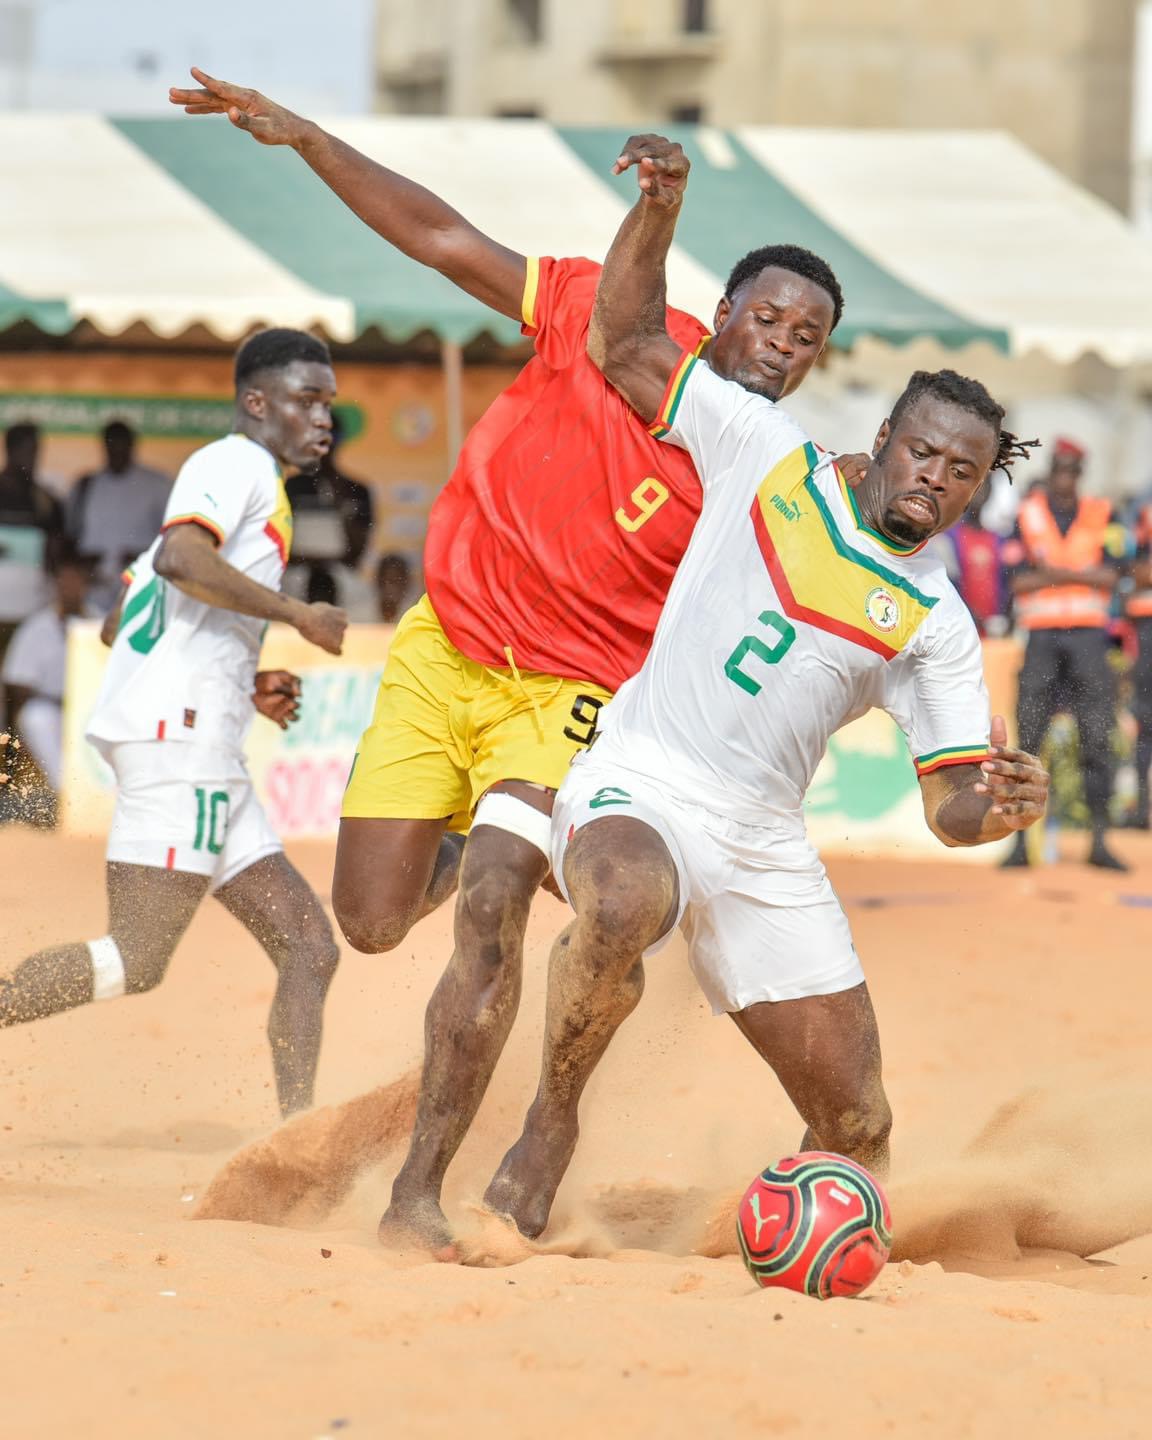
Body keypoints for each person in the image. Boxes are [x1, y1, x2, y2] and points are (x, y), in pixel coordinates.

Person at [170, 71, 866, 1252]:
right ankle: (467, 851)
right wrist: (308, 140)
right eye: (770, 321)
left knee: (492, 905)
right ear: (725, 309)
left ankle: (421, 1194)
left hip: (574, 698)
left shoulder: (770, 471)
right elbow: (443, 238)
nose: (783, 348)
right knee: (377, 921)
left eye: (808, 341)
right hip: (448, 649)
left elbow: (848, 586)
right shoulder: (602, 315)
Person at [483, 147, 1050, 1239]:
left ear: (979, 486)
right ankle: (550, 1124)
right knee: (621, 903)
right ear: (884, 439)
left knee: (861, 1127)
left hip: (763, 841)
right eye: (922, 451)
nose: (934, 477)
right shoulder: (767, 452)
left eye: (961, 470)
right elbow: (626, 341)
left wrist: (1004, 806)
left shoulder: (936, 621)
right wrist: (659, 212)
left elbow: (950, 810)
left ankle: (794, 1235)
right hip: (645, 777)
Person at [0, 329, 349, 1118]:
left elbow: (121, 618)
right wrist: (297, 614)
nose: (323, 417)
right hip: (179, 745)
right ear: (257, 403)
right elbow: (180, 562)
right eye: (307, 399)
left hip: (200, 739)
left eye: (328, 401)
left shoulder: (237, 475)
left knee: (310, 947)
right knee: (136, 959)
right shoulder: (236, 464)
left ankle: (294, 1142)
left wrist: (239, 678)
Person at [1000, 438, 1128, 869]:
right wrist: (1078, 575)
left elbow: (1113, 575)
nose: (1065, 478)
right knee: (1029, 742)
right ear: (1051, 470)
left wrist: (1050, 574)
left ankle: (1098, 841)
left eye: (1073, 470)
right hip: (1041, 640)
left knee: (1097, 738)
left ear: (1081, 473)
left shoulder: (1100, 513)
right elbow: (1017, 582)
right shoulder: (1027, 513)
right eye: (1060, 469)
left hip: (1089, 641)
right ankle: (1018, 844)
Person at [0, 546, 98, 793]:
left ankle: (98, 798)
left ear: (86, 584)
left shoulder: (101, 622)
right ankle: (68, 793)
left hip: (92, 709)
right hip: (51, 706)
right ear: (55, 585)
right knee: (35, 717)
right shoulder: (37, 626)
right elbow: (17, 683)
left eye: (76, 581)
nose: (70, 587)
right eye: (65, 581)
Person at [67, 421, 171, 610]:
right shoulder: (86, 485)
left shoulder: (157, 485)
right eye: (111, 444)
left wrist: (142, 555)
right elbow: (69, 538)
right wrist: (85, 562)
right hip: (94, 592)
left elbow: (172, 538)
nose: (116, 450)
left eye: (121, 444)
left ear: (132, 445)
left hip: (141, 587)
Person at [284, 411, 374, 610]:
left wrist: (340, 504)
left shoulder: (356, 490)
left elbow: (358, 553)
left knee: (360, 597)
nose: (325, 447)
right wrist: (314, 563)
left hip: (342, 576)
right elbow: (280, 546)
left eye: (330, 438)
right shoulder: (291, 487)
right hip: (296, 575)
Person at [0, 423, 65, 673]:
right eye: (26, 450)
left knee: (19, 680)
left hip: (30, 608)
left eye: (36, 451)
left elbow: (56, 556)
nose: (32, 458)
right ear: (10, 450)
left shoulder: (46, 501)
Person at [937, 486, 1007, 636]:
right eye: (976, 486)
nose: (980, 492)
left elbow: (1005, 582)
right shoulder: (950, 537)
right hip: (958, 628)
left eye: (985, 486)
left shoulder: (997, 538)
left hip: (992, 631)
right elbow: (948, 584)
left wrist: (1003, 616)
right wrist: (971, 615)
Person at [1124, 495, 1152, 827]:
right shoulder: (1143, 511)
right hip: (1146, 633)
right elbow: (1132, 571)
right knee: (1145, 724)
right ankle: (1141, 808)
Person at [375, 552, 413, 624]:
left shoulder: (413, 619)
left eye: (396, 581)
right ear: (378, 582)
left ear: (406, 585)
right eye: (387, 581)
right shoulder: (361, 615)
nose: (390, 587)